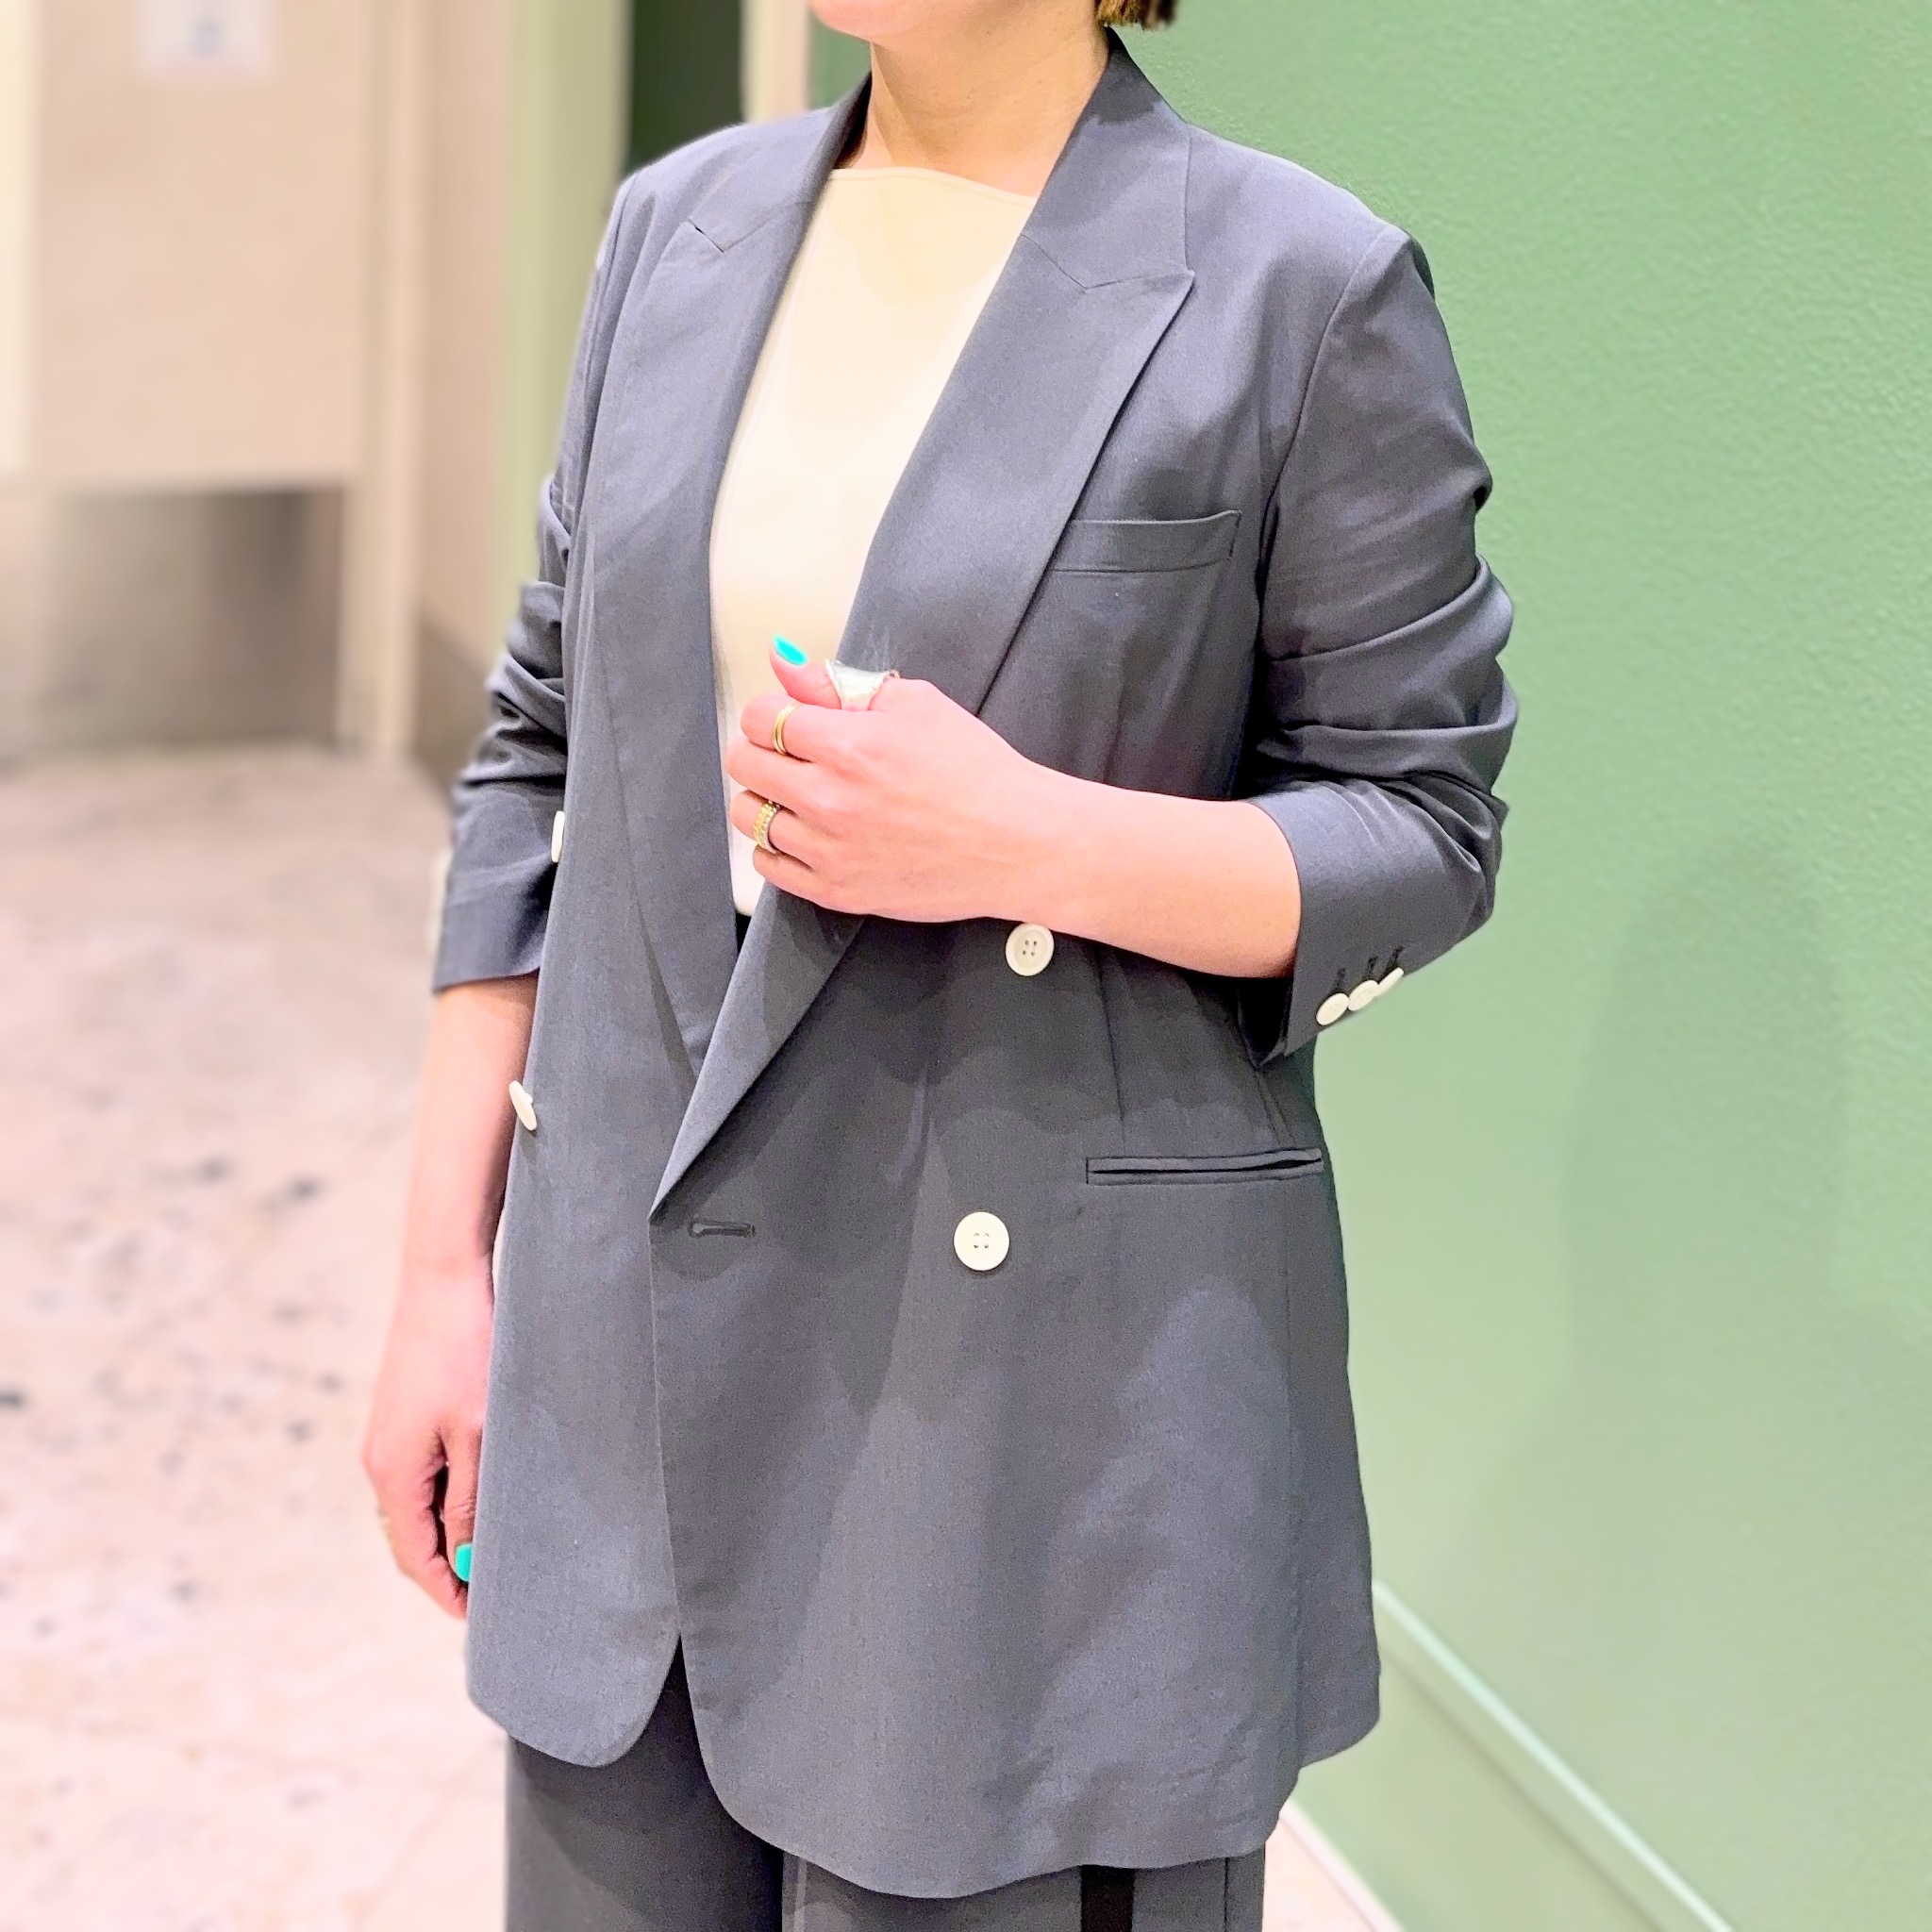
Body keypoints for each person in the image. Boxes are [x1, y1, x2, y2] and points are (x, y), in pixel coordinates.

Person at [365, 0, 1515, 1925]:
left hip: (1023, 1406)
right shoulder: (679, 225)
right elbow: (538, 753)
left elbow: (1421, 827)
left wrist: (1020, 837)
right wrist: (438, 1276)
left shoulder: (1299, 286)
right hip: (627, 1343)